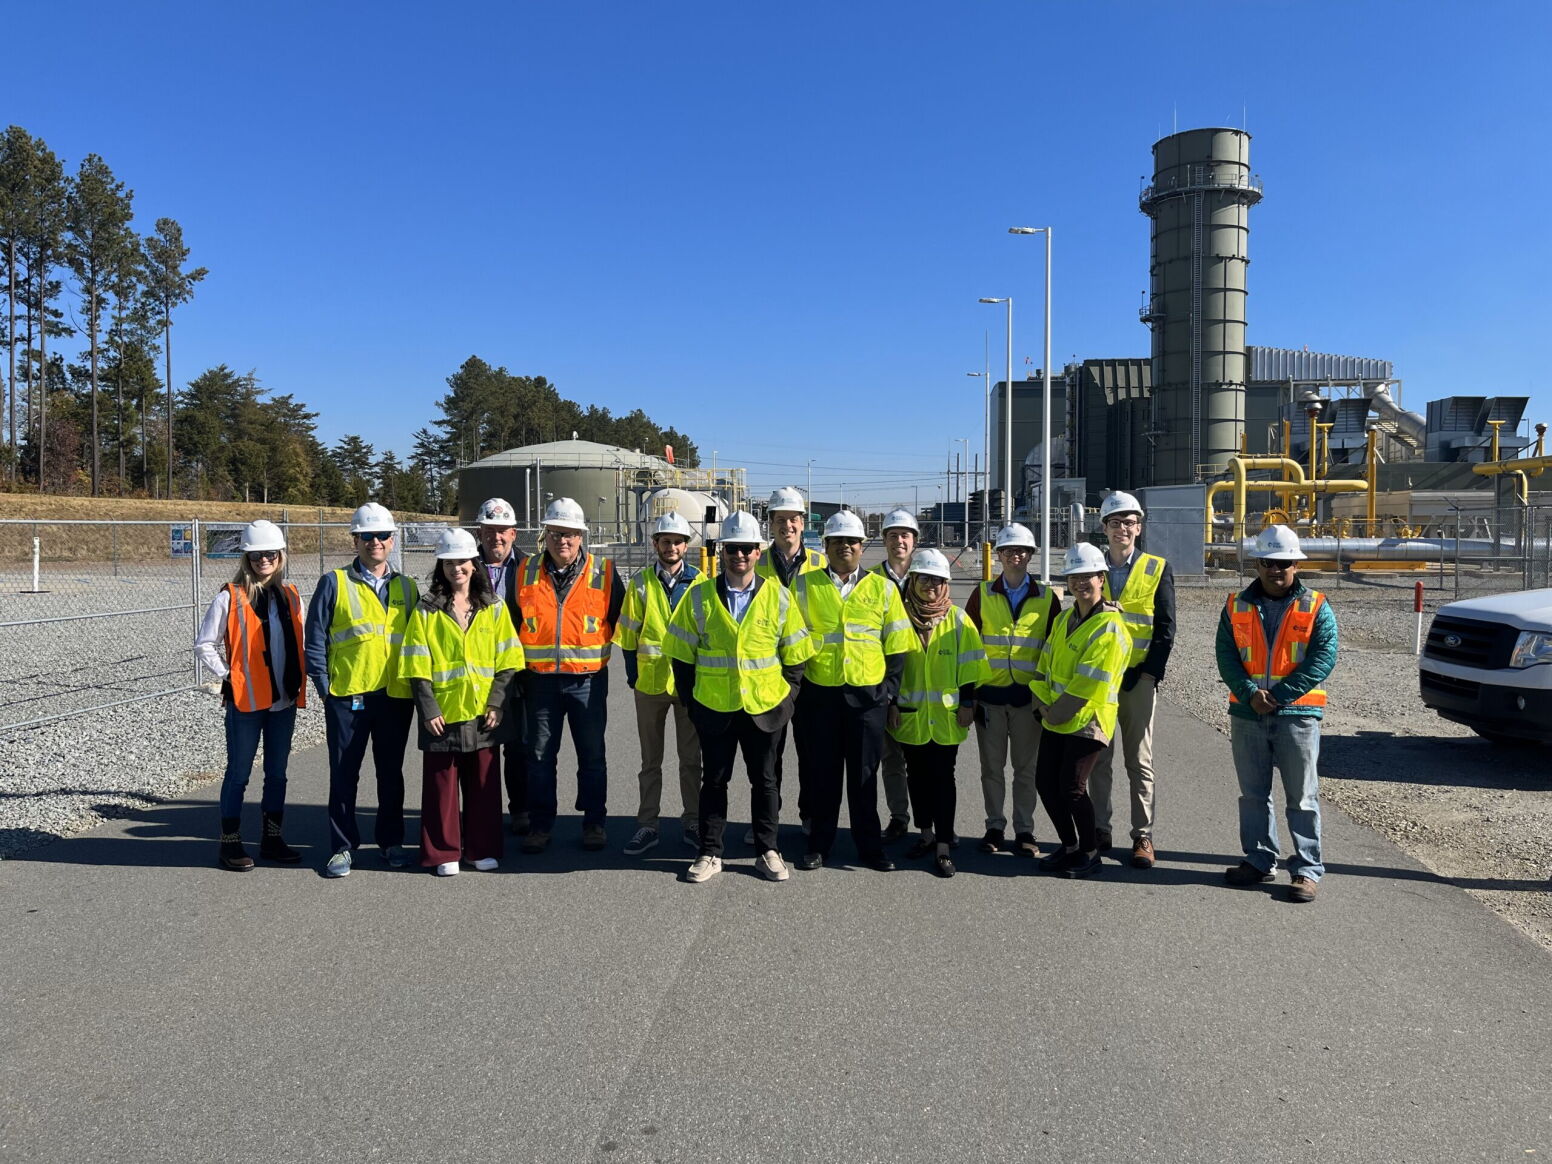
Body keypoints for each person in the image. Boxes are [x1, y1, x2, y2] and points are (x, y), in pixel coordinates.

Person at [664, 511, 815, 883]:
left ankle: (768, 849)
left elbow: (796, 656)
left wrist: (787, 699)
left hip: (765, 708)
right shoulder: (699, 597)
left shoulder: (778, 597)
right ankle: (710, 852)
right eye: (733, 548)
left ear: (758, 551)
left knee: (765, 782)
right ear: (721, 551)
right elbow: (681, 656)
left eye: (747, 548)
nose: (740, 555)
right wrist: (693, 703)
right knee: (714, 782)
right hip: (715, 708)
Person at [1216, 524, 1338, 904]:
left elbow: (1324, 656)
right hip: (1248, 714)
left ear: (1296, 565)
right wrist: (1250, 694)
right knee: (1253, 794)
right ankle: (1259, 858)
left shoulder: (1316, 605)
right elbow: (1226, 656)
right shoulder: (1235, 605)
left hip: (1297, 715)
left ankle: (1306, 870)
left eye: (1284, 562)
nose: (1276, 569)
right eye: (1269, 562)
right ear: (1258, 563)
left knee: (1302, 796)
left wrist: (1280, 695)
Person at [791, 509, 914, 872]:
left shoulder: (882, 588)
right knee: (823, 775)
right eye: (838, 541)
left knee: (864, 777)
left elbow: (897, 644)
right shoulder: (804, 585)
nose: (845, 546)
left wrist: (888, 692)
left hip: (867, 698)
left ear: (863, 547)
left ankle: (870, 848)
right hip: (820, 696)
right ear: (825, 546)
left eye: (852, 541)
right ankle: (819, 845)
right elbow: (790, 640)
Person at [400, 528, 524, 876]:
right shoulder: (426, 610)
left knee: (483, 786)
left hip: (484, 712)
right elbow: (415, 662)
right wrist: (428, 708)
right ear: (440, 566)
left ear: (475, 564)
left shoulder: (494, 608)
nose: (457, 569)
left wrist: (497, 702)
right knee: (441, 788)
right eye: (449, 562)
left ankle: (481, 848)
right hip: (443, 713)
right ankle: (443, 852)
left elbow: (509, 660)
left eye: (463, 562)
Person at [304, 503, 419, 879]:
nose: (375, 542)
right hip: (347, 697)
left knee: (391, 773)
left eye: (382, 536)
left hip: (394, 697)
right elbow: (315, 639)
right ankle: (341, 847)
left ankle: (391, 842)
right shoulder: (334, 582)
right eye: (367, 536)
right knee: (344, 774)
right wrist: (324, 688)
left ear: (392, 540)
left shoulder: (407, 587)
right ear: (355, 539)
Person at [194, 519, 307, 871]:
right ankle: (230, 844)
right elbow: (204, 644)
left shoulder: (291, 596)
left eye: (270, 554)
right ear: (247, 557)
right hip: (246, 703)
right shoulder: (230, 596)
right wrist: (229, 676)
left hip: (283, 701)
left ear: (280, 556)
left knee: (277, 774)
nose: (263, 560)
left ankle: (272, 839)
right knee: (239, 773)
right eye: (256, 554)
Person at [516, 496, 625, 854]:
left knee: (592, 755)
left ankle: (594, 822)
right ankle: (540, 825)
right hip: (540, 681)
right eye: (556, 533)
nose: (563, 540)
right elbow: (509, 626)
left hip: (588, 682)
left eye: (571, 534)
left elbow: (625, 622)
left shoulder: (605, 572)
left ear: (582, 536)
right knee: (540, 756)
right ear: (545, 534)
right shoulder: (525, 571)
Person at [887, 549, 990, 878]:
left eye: (938, 580)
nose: (932, 585)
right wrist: (890, 703)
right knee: (916, 777)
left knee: (944, 778)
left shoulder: (959, 620)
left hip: (947, 717)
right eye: (925, 578)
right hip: (911, 714)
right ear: (913, 580)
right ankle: (926, 834)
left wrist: (968, 703)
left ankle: (944, 845)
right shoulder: (898, 618)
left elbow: (971, 667)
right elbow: (889, 668)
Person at [1030, 542, 1129, 879]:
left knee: (1072, 789)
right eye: (1074, 577)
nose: (1080, 583)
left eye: (1088, 576)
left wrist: (1052, 712)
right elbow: (1045, 663)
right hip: (1054, 715)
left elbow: (1089, 682)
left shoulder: (1109, 626)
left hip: (1088, 720)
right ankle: (1069, 845)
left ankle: (1090, 852)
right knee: (1045, 782)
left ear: (1102, 578)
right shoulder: (1063, 619)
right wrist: (1040, 703)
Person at [1091, 490, 1176, 869]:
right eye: (1115, 522)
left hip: (1139, 679)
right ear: (1104, 528)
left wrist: (1150, 675)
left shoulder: (1158, 568)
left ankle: (1143, 835)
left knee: (1139, 761)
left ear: (1139, 528)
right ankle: (1099, 828)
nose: (1122, 528)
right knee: (1098, 758)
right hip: (1100, 681)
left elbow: (1165, 628)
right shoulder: (1092, 568)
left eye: (1129, 522)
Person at [965, 523, 1060, 858]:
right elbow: (969, 646)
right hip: (990, 699)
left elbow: (1055, 649)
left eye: (1021, 551)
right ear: (1000, 555)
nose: (1015, 556)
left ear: (1030, 556)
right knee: (991, 769)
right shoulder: (982, 594)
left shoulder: (1047, 598)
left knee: (1025, 769)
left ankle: (1024, 830)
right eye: (1008, 551)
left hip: (1027, 702)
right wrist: (970, 695)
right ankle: (994, 826)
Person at [617, 512, 703, 856]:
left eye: (677, 541)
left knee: (690, 760)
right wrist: (632, 674)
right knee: (650, 761)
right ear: (656, 544)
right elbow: (627, 634)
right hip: (650, 684)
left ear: (686, 545)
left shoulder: (700, 584)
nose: (671, 547)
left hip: (689, 687)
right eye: (665, 541)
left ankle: (693, 821)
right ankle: (647, 825)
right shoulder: (639, 584)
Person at [751, 486, 825, 840]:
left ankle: (810, 817)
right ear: (771, 524)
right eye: (780, 520)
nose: (787, 526)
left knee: (811, 755)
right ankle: (769, 820)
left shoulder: (820, 564)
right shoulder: (757, 563)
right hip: (770, 673)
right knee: (769, 756)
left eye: (793, 519)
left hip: (810, 673)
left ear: (802, 522)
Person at [474, 496, 531, 837]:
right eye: (489, 530)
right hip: (476, 672)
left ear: (514, 533)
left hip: (518, 671)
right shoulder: (463, 564)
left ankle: (521, 809)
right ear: (479, 532)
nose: (496, 537)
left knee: (520, 746)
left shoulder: (530, 568)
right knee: (480, 747)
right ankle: (482, 813)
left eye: (503, 531)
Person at [870, 507, 919, 842]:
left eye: (905, 535)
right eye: (892, 535)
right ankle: (899, 817)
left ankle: (929, 821)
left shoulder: (928, 576)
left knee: (923, 760)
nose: (899, 541)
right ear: (884, 540)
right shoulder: (871, 580)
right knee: (891, 758)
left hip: (923, 682)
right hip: (885, 683)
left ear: (915, 541)